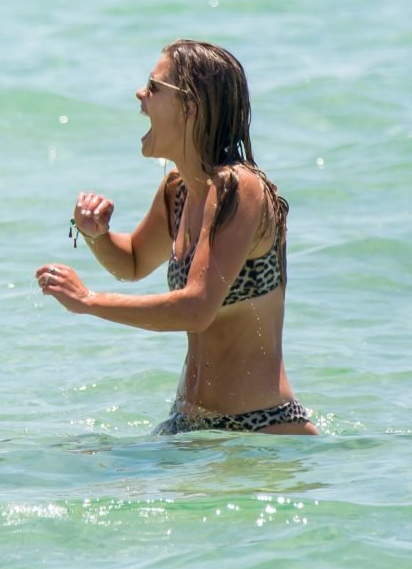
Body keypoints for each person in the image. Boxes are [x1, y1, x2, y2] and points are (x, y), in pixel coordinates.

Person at [36, 39, 317, 436]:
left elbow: (196, 308)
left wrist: (88, 301)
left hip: (260, 429)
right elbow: (133, 262)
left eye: (154, 87)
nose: (140, 94)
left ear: (190, 107)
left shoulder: (241, 188)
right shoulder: (178, 190)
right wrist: (97, 235)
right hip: (191, 426)